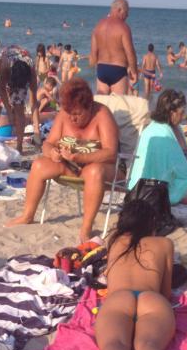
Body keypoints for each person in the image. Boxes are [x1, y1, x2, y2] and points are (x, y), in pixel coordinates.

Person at [6, 78, 118, 242]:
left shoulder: (102, 114)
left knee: (94, 171)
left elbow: (111, 153)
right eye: (70, 113)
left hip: (102, 169)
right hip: (70, 166)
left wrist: (81, 157)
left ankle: (86, 228)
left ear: (89, 106)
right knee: (39, 165)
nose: (73, 118)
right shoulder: (64, 114)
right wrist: (52, 153)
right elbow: (47, 144)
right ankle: (27, 215)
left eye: (77, 114)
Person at [94, 198, 175, 350]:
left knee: (114, 343)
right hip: (152, 299)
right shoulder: (164, 244)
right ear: (152, 223)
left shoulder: (114, 242)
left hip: (119, 299)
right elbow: (166, 291)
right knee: (149, 345)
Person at [0, 44, 40, 152]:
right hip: (4, 64)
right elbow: (2, 89)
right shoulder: (4, 66)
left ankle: (19, 146)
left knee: (19, 108)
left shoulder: (31, 68)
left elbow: (33, 101)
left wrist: (37, 130)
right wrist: (9, 111)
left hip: (21, 70)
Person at [89, 0, 137, 94]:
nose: (127, 15)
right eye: (126, 12)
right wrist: (134, 72)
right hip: (118, 70)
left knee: (101, 102)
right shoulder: (124, 27)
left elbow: (93, 56)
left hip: (101, 69)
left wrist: (96, 69)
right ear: (120, 10)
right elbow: (130, 52)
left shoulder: (98, 26)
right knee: (118, 103)